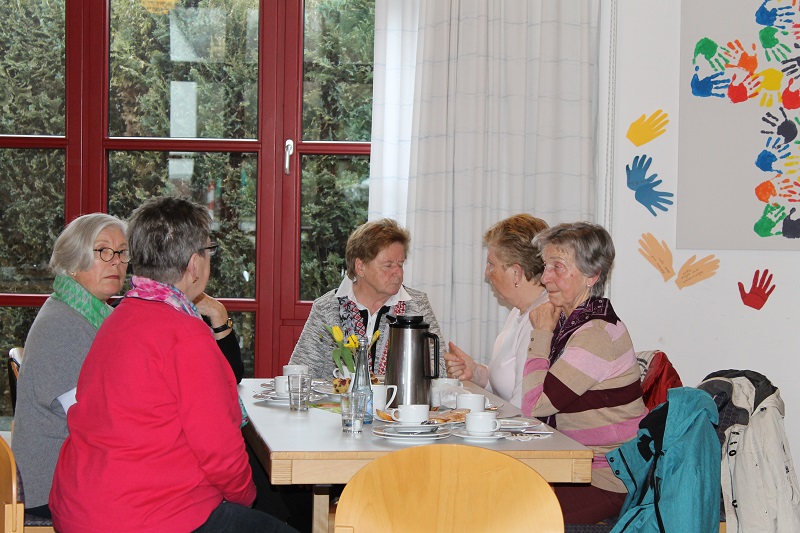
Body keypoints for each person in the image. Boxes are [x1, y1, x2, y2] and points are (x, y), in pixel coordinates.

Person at [49, 197, 294, 533]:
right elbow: (221, 453)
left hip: (81, 507)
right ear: (194, 264)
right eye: (209, 250)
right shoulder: (186, 334)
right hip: (143, 517)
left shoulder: (120, 316)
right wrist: (248, 497)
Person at [12, 213, 243, 520]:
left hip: (82, 477)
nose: (116, 263)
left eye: (122, 253)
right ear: (72, 260)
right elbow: (96, 425)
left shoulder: (96, 314)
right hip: (52, 486)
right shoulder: (62, 325)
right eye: (103, 251)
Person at [521, 221, 647, 524]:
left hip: (609, 478)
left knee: (517, 514)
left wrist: (541, 334)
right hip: (576, 466)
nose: (545, 277)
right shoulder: (573, 323)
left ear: (592, 276)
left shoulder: (595, 334)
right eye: (546, 266)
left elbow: (534, 405)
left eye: (558, 267)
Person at [290, 218, 445, 379]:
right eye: (388, 265)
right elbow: (299, 372)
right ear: (360, 267)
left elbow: (439, 369)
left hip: (401, 396)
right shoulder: (327, 308)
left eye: (400, 264)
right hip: (339, 397)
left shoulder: (417, 304)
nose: (398, 273)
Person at [444, 214, 549, 408]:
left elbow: (524, 407)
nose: (486, 273)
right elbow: (506, 383)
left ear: (516, 273)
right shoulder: (519, 311)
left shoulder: (541, 320)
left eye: (491, 264)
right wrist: (475, 372)